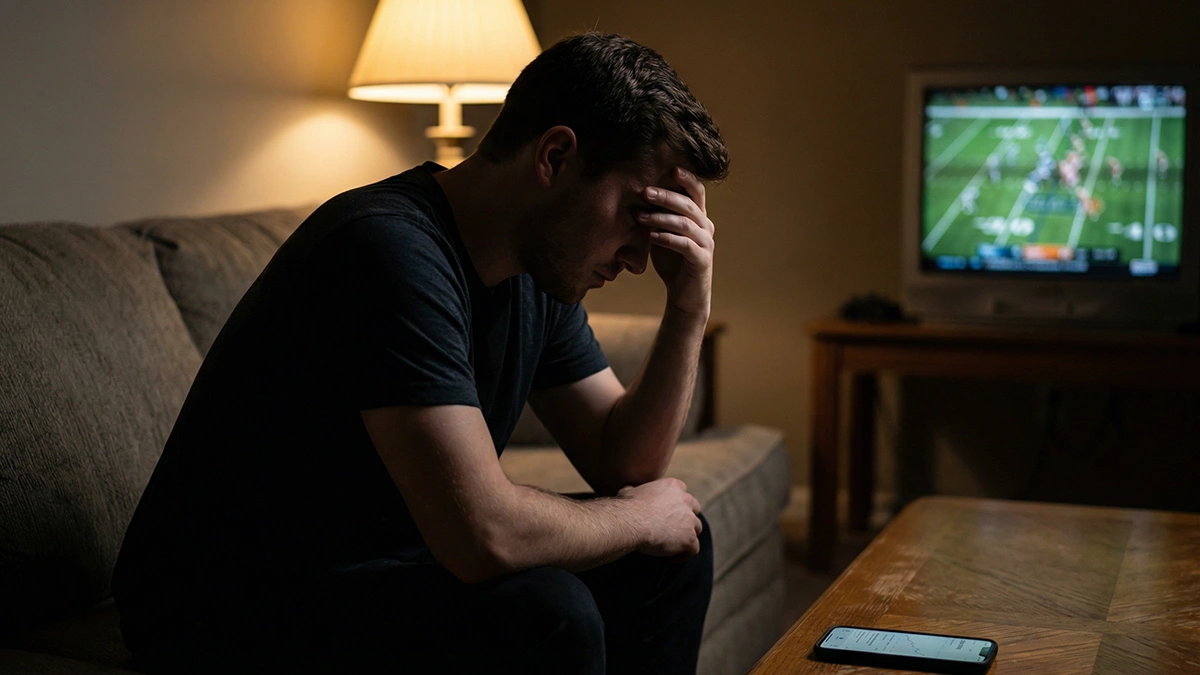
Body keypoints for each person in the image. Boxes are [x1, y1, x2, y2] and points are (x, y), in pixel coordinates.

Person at [112, 32, 729, 675]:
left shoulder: (536, 271)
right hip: (221, 605)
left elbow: (623, 464)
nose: (639, 258)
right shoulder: (388, 249)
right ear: (555, 156)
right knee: (550, 610)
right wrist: (634, 519)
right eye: (637, 213)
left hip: (383, 564)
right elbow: (481, 535)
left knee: (672, 550)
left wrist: (689, 304)